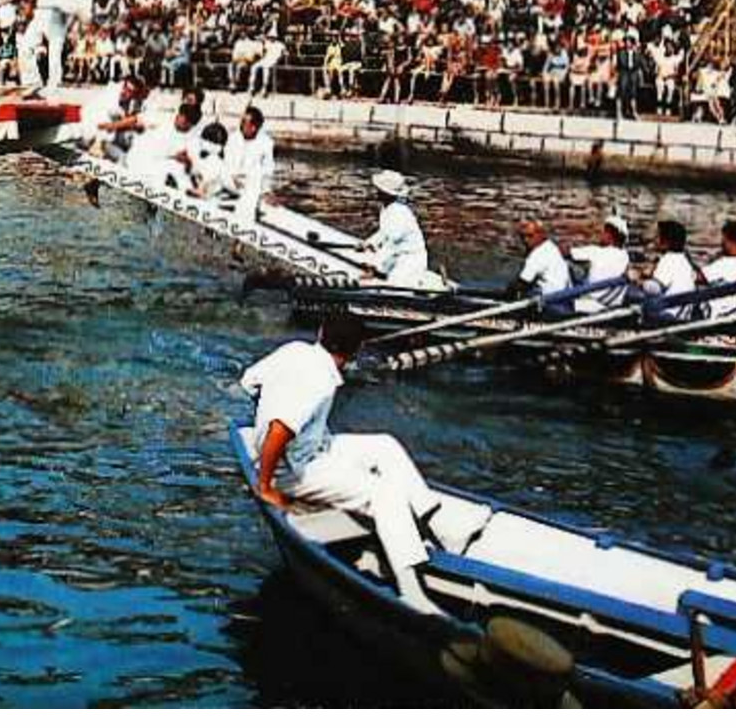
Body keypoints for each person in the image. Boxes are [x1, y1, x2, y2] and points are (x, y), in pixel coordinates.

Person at [240, 312, 485, 616]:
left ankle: (438, 525)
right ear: (356, 350)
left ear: (320, 332)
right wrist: (265, 486)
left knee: (385, 446)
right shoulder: (319, 381)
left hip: (312, 448)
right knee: (380, 492)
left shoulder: (295, 350)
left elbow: (249, 382)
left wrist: (267, 412)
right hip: (291, 469)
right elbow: (280, 430)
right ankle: (411, 591)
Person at [360, 170, 432, 289]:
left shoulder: (398, 214)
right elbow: (384, 233)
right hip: (397, 256)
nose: (376, 192)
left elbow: (391, 244)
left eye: (379, 190)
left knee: (396, 287)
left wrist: (373, 267)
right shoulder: (388, 208)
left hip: (410, 260)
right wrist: (369, 243)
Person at [224, 105, 275, 223]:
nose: (241, 125)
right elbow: (227, 162)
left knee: (256, 176)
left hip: (248, 183)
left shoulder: (266, 143)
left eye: (244, 122)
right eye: (241, 121)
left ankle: (243, 222)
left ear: (253, 127)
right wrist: (232, 176)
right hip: (229, 178)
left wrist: (266, 190)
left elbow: (268, 170)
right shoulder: (233, 138)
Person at [701, 219, 736, 317]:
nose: (721, 243)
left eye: (724, 239)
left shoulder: (725, 264)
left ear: (731, 242)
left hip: (718, 319)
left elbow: (698, 277)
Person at [512, 219, 572, 301]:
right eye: (522, 236)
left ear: (541, 235)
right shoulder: (550, 246)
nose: (525, 240)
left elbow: (523, 282)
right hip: (560, 293)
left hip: (548, 298)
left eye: (530, 236)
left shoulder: (537, 255)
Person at [646, 220, 698, 313]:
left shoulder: (668, 260)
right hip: (681, 311)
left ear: (666, 242)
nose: (655, 240)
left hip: (668, 311)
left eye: (657, 236)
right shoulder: (684, 260)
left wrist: (638, 281)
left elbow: (654, 288)